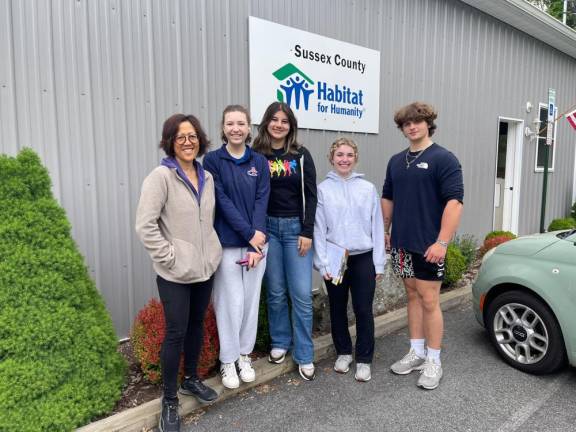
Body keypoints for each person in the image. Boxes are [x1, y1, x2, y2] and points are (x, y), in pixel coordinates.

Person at [135, 114, 222, 432]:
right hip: (174, 273)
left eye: (193, 136)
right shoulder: (160, 177)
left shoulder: (207, 176)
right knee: (175, 333)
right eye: (181, 136)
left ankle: (191, 380)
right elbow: (145, 226)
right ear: (170, 141)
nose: (188, 141)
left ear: (200, 140)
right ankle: (169, 401)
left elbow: (207, 222)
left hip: (204, 268)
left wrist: (212, 252)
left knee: (197, 325)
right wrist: (169, 258)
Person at [381, 102, 464, 390]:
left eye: (417, 121)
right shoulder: (395, 161)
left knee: (430, 300)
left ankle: (434, 360)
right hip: (402, 244)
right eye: (406, 124)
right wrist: (385, 230)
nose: (412, 127)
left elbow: (454, 202)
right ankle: (416, 352)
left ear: (429, 123)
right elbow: (388, 197)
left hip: (429, 245)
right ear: (402, 129)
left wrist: (442, 242)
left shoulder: (444, 159)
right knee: (412, 295)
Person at [203, 105, 270, 389]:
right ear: (223, 127)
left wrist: (257, 244)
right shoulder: (213, 161)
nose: (236, 129)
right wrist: (248, 235)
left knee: (250, 303)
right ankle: (227, 360)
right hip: (229, 244)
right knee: (229, 304)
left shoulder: (259, 161)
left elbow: (261, 202)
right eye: (230, 123)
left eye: (241, 123)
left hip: (256, 246)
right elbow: (222, 202)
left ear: (249, 127)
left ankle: (244, 355)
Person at [252, 102, 318, 381]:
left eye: (285, 121)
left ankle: (304, 353)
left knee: (302, 294)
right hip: (267, 230)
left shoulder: (301, 155)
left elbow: (312, 196)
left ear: (291, 126)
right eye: (274, 120)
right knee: (276, 291)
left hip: (295, 231)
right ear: (266, 122)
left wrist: (307, 231)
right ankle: (280, 342)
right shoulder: (255, 155)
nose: (279, 125)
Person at [314, 137, 386, 382]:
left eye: (349, 155)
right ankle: (344, 351)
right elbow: (319, 228)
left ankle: (364, 358)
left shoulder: (367, 189)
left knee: (363, 309)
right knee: (337, 308)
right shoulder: (323, 189)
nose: (344, 159)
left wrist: (379, 262)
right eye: (339, 155)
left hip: (363, 257)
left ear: (355, 158)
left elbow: (377, 227)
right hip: (335, 259)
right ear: (332, 159)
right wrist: (322, 262)